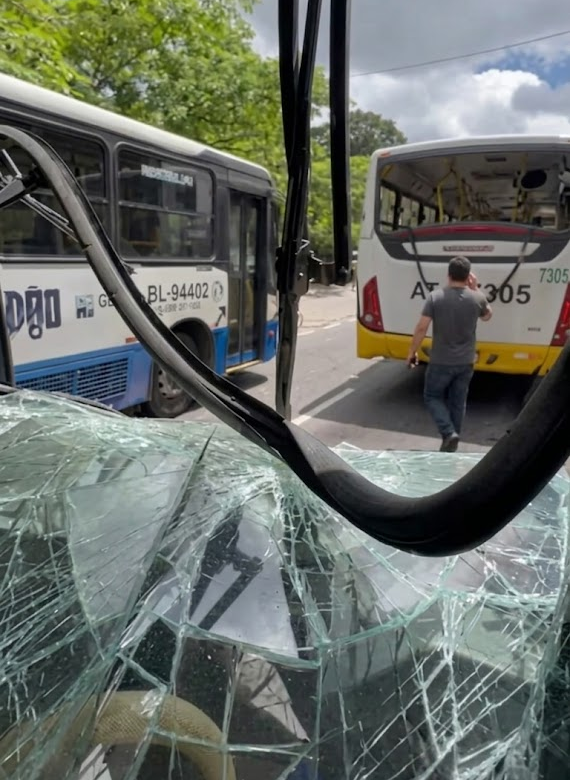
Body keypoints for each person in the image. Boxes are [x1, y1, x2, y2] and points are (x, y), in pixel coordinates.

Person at [406, 256, 492, 452]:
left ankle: (448, 433)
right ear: (468, 277)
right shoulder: (477, 298)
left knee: (431, 396)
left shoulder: (436, 297)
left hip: (441, 361)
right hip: (466, 362)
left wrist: (412, 352)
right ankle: (452, 444)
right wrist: (476, 289)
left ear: (449, 274)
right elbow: (488, 316)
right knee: (458, 402)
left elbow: (421, 328)